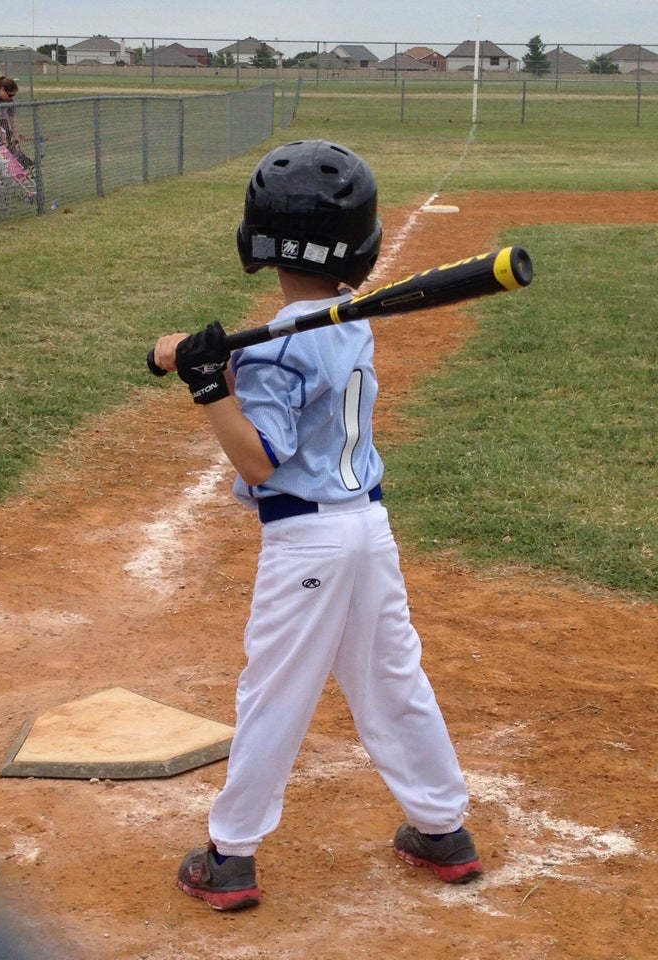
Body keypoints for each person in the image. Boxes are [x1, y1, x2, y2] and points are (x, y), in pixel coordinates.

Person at [152, 139, 483, 912]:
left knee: (275, 692)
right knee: (392, 679)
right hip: (368, 531)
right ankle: (442, 829)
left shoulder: (281, 344)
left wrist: (207, 387)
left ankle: (229, 855)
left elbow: (261, 459)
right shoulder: (348, 322)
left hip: (306, 541)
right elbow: (294, 378)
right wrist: (222, 366)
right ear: (363, 249)